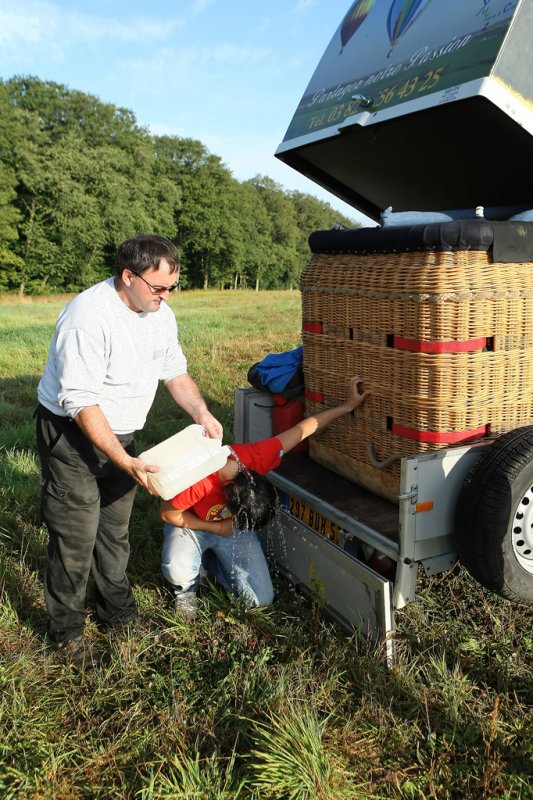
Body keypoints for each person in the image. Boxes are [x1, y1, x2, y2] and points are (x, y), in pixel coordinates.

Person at [35, 233, 222, 665]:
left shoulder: (160, 313)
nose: (167, 296)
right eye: (159, 287)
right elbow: (80, 400)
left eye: (173, 286)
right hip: (71, 433)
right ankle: (67, 633)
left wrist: (201, 413)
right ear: (127, 276)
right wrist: (124, 462)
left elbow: (175, 372)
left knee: (114, 530)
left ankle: (117, 612)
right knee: (75, 536)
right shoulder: (87, 317)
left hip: (122, 437)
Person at [160, 376, 370, 617]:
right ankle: (186, 588)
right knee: (178, 567)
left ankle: (209, 564)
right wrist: (216, 528)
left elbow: (303, 430)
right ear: (228, 492)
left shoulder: (255, 458)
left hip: (230, 528)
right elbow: (167, 512)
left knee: (260, 600)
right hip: (190, 524)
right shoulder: (200, 481)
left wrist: (347, 406)